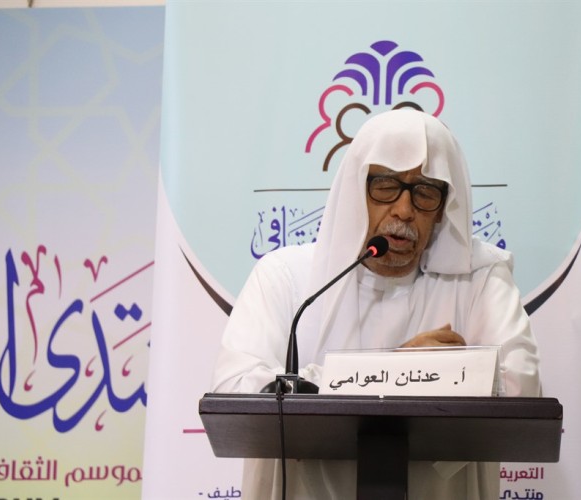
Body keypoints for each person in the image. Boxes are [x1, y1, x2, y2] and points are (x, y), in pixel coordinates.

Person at [212, 109, 540, 500]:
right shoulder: (286, 277)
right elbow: (236, 391)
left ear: (442, 209)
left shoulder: (479, 278)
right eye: (385, 186)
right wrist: (402, 370)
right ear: (355, 190)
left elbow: (521, 388)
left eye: (425, 192)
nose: (404, 210)